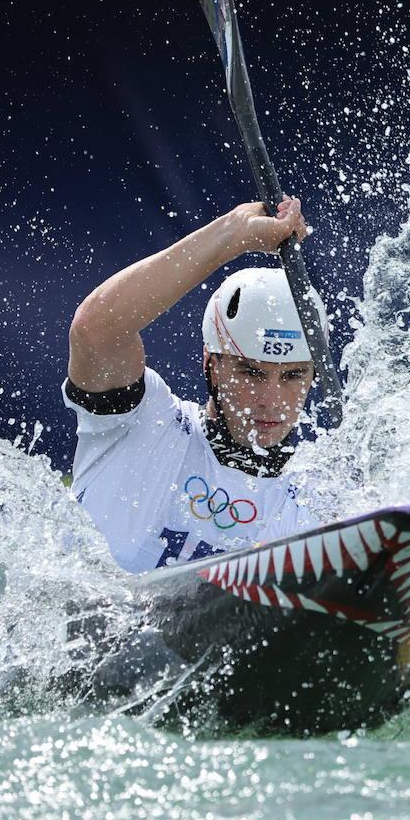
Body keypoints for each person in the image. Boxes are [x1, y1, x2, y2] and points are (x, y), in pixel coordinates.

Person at [63, 197, 325, 573]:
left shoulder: (316, 506)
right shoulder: (144, 424)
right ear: (211, 364)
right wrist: (233, 235)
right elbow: (95, 329)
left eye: (292, 376)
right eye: (250, 373)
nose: (271, 401)